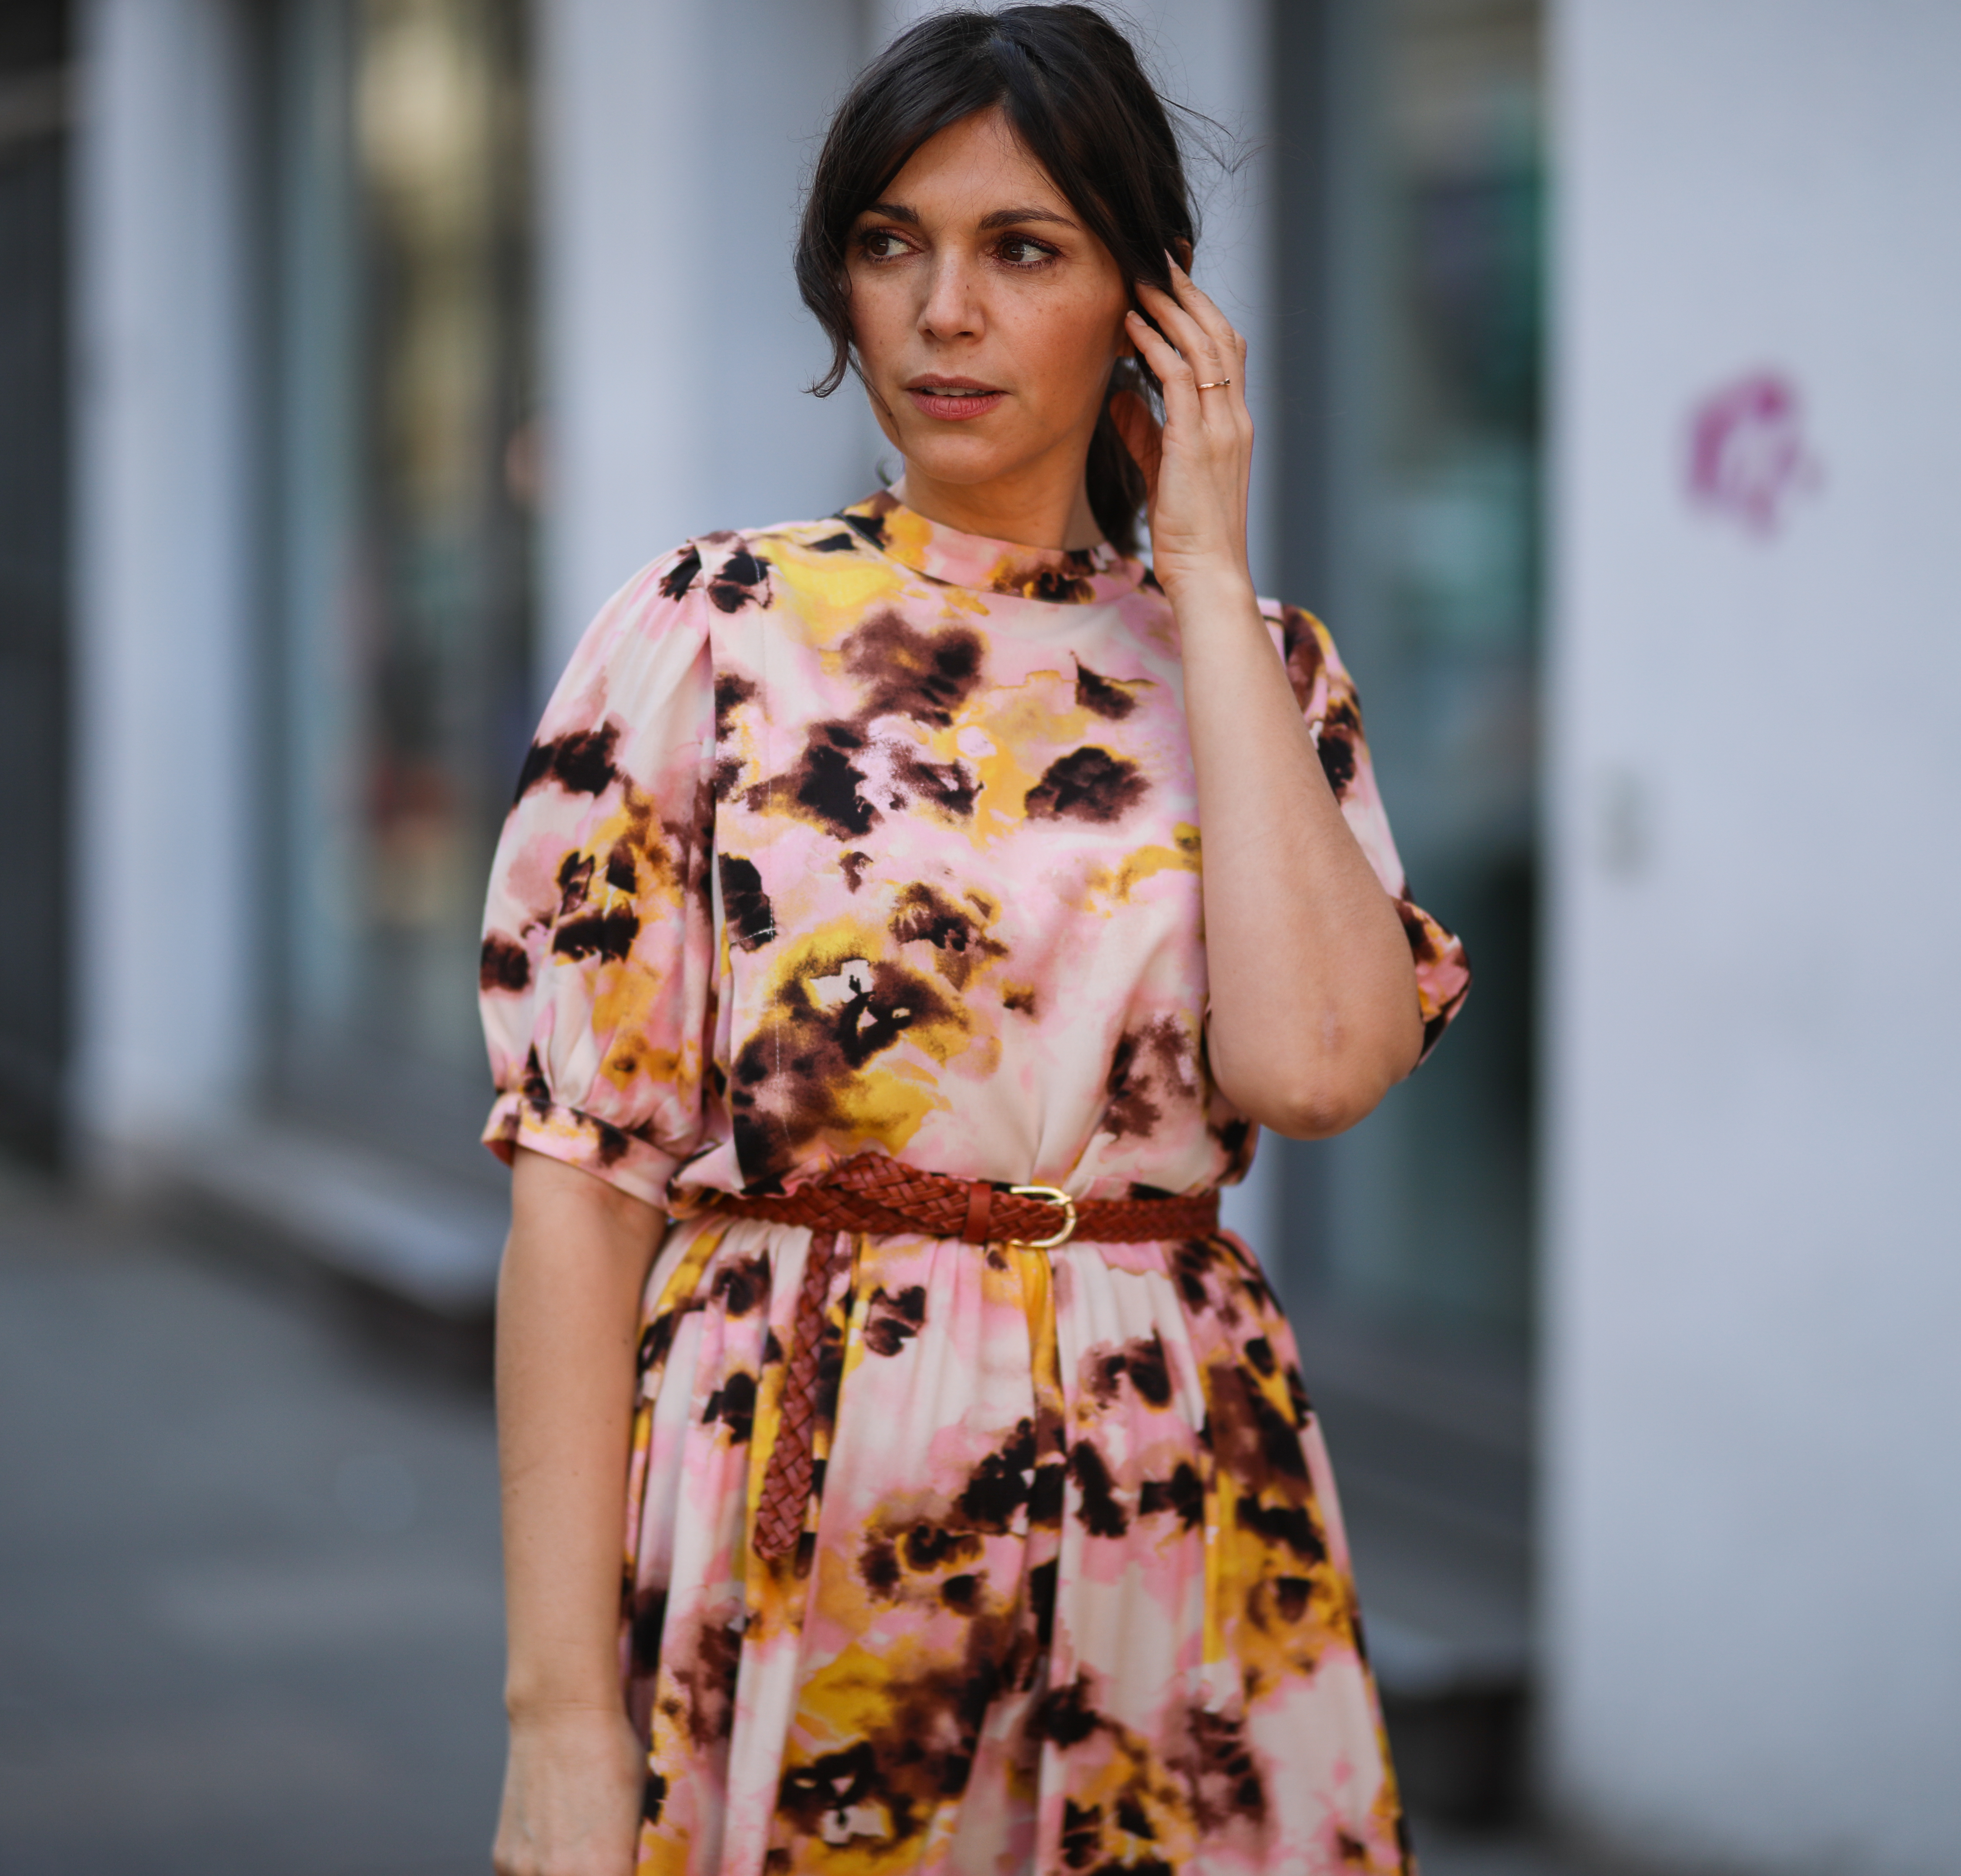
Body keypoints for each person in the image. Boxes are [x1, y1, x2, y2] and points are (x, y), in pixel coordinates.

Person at [484, 8, 1470, 1872]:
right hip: (802, 1503)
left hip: (1175, 1518)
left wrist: (1197, 572)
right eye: (891, 242)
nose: (944, 309)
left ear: (1147, 305)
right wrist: (556, 1719)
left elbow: (1320, 1066)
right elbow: (578, 1185)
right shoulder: (713, 631)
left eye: (1024, 249)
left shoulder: (1259, 672)